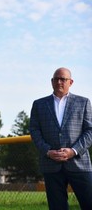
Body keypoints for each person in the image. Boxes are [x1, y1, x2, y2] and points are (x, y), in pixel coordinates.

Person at [29, 67, 92, 210]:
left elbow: (90, 131)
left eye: (63, 79)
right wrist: (47, 151)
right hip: (51, 165)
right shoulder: (39, 104)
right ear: (51, 82)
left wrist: (74, 151)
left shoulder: (83, 102)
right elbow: (34, 131)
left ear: (71, 82)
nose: (59, 82)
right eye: (56, 79)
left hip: (79, 164)